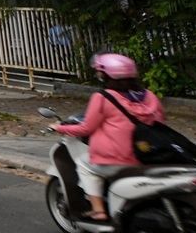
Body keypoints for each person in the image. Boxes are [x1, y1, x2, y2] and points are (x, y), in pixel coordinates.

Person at [54, 53, 168, 221]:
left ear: (105, 75)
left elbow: (86, 128)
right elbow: (160, 122)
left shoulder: (102, 98)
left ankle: (99, 210)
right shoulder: (150, 96)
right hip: (149, 156)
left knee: (85, 165)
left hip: (117, 160)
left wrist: (60, 128)